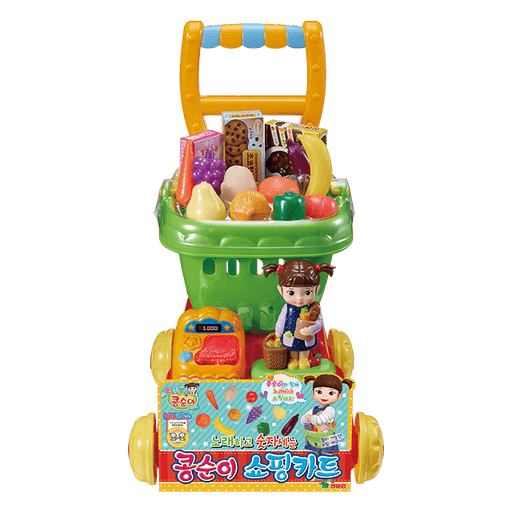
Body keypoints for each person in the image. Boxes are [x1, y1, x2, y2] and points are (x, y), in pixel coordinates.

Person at [263, 260, 335, 370]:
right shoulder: (287, 307)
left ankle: (303, 359)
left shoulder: (314, 308)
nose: (299, 298)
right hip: (290, 333)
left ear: (316, 289)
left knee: (304, 348)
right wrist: (278, 331)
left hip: (306, 336)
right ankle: (293, 359)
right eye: (291, 293)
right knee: (291, 347)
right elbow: (281, 319)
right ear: (281, 290)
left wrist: (311, 330)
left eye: (307, 292)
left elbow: (319, 322)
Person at [301, 373, 354, 453]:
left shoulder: (330, 410)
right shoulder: (313, 409)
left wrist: (310, 418)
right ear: (312, 394)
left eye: (331, 393)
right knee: (312, 456)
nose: (324, 396)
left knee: (326, 456)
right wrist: (307, 422)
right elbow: (303, 420)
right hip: (314, 438)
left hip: (327, 439)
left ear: (339, 396)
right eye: (319, 392)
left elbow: (320, 420)